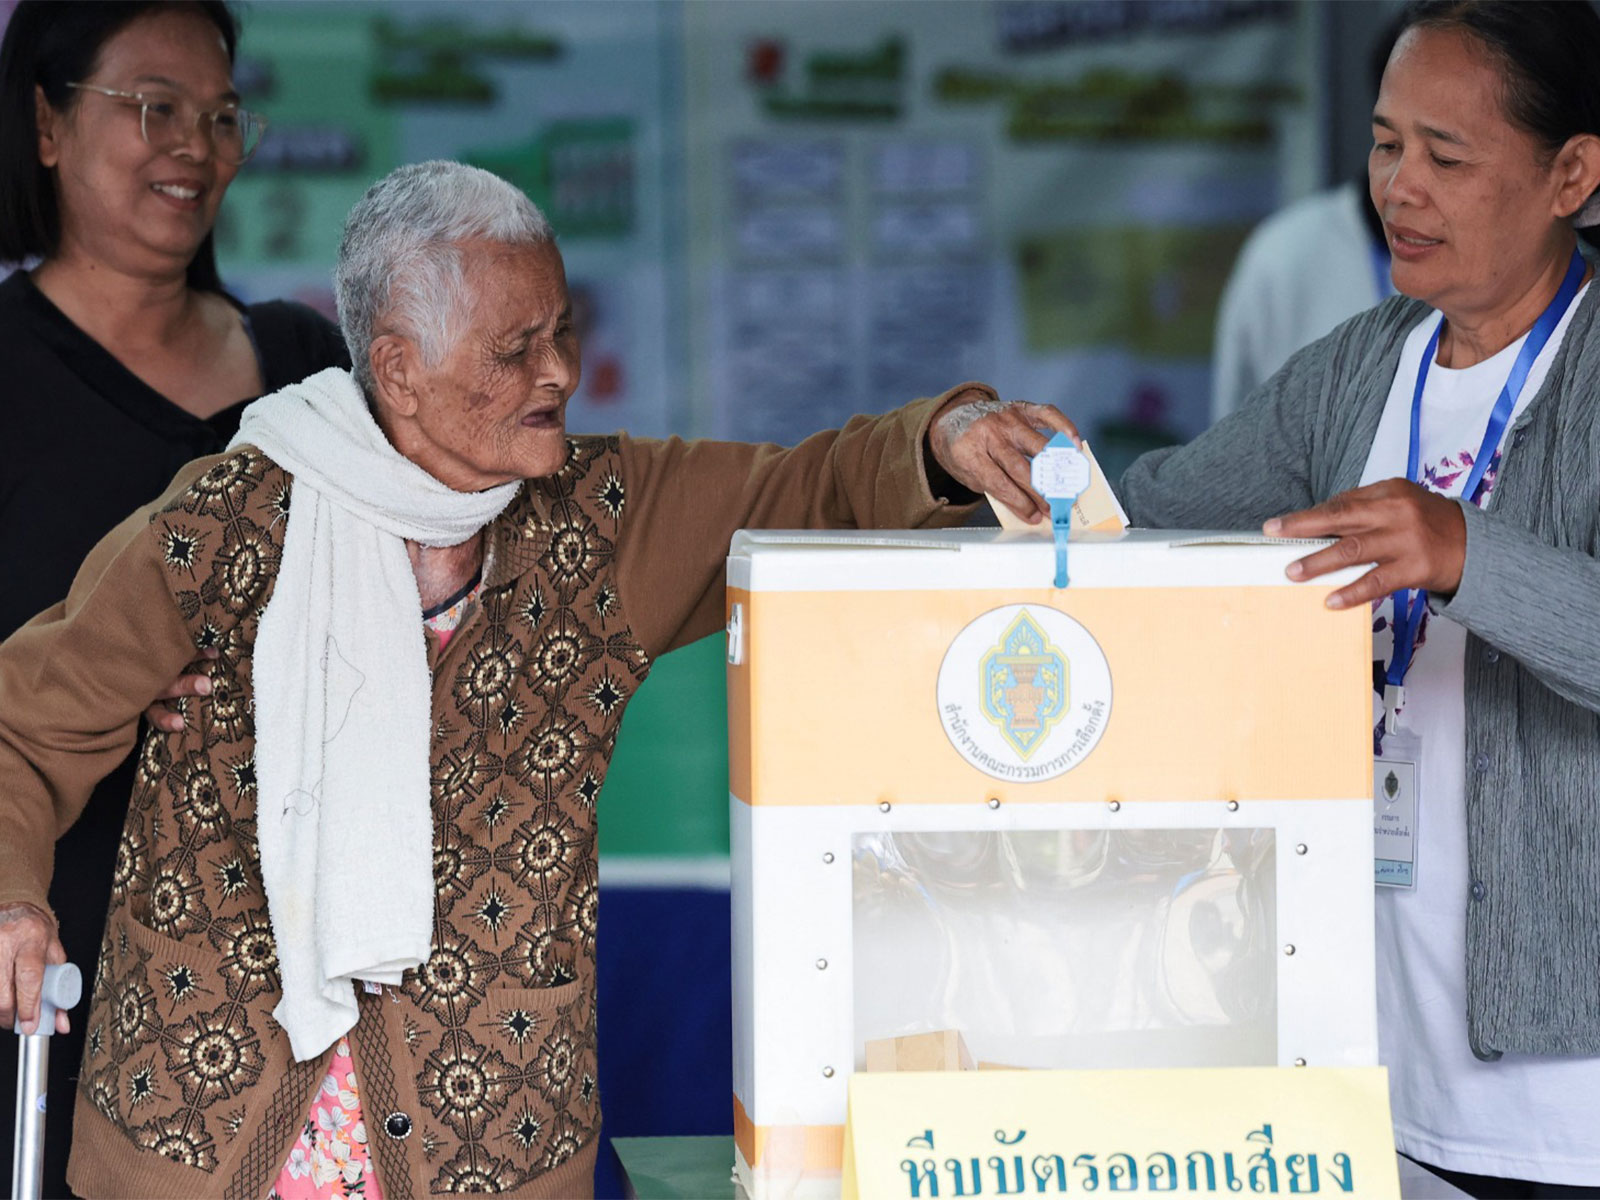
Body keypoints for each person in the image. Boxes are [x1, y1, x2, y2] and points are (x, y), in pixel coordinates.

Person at [0, 159, 1069, 1200]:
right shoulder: (224, 525)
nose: (557, 371)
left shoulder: (602, 519)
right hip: (206, 1132)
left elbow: (805, 487)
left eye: (562, 332)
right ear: (401, 366)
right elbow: (26, 729)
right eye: (514, 350)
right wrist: (12, 902)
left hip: (493, 1149)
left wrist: (942, 440)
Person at [1110, 2, 1600, 1194]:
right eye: (1384, 146)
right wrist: (994, 464)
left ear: (1571, 174)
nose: (1399, 188)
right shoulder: (1361, 361)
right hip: (1369, 1062)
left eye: (1446, 155)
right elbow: (1148, 518)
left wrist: (1466, 553)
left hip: (1567, 1097)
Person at [0, 2, 350, 1193]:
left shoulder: (308, 371)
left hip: (284, 969)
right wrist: (97, 677)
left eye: (219, 115)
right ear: (46, 124)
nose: (193, 145)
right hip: (51, 950)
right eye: (152, 106)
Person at [1209, 16, 1403, 423]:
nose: (1410, 184)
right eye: (1393, 143)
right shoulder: (1283, 256)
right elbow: (1230, 442)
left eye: (1448, 155)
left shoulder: (1512, 268)